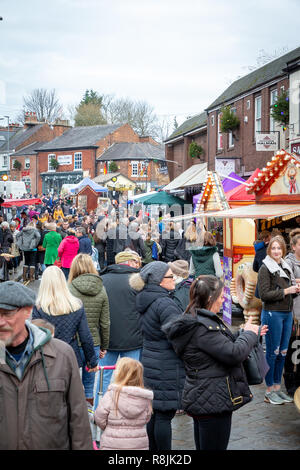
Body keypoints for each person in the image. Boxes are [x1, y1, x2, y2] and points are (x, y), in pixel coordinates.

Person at [163, 275, 267, 451]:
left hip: (204, 396)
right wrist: (249, 334)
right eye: (221, 296)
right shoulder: (203, 327)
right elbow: (234, 354)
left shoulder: (195, 320)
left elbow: (218, 346)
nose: (223, 299)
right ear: (210, 298)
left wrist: (244, 333)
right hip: (212, 399)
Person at [0, 281, 93, 450]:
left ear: (28, 311)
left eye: (7, 314)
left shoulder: (62, 355)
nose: (0, 322)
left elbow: (79, 420)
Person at [129, 261, 186, 451]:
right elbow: (178, 336)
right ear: (160, 281)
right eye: (171, 276)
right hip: (166, 364)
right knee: (164, 414)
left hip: (151, 360)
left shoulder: (146, 299)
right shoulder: (165, 303)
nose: (174, 280)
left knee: (155, 413)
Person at [94, 249, 143, 409]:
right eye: (136, 262)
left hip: (107, 338)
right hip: (133, 338)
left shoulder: (102, 279)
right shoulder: (138, 281)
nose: (139, 265)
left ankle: (98, 410)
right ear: (130, 262)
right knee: (133, 377)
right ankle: (131, 411)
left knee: (103, 376)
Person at [32, 266, 98, 373]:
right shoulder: (76, 305)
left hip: (47, 359)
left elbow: (35, 338)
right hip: (71, 356)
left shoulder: (39, 307)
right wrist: (92, 361)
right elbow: (85, 336)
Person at [257, 235, 299, 405]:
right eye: (273, 248)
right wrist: (287, 291)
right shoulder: (265, 268)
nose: (276, 251)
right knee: (272, 353)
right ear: (269, 250)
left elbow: (286, 288)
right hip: (272, 313)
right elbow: (264, 294)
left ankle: (277, 388)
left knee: (282, 352)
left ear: (283, 250)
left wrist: (295, 287)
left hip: (287, 313)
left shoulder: (285, 265)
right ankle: (268, 391)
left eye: (279, 248)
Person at [68, 253, 110, 407]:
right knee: (90, 381)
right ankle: (89, 411)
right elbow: (105, 323)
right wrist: (104, 346)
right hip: (93, 342)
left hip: (72, 341)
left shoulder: (69, 288)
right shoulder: (101, 289)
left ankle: (73, 412)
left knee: (70, 380)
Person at [94, 357, 153, 450]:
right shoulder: (145, 398)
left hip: (112, 443)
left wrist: (109, 427)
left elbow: (99, 417)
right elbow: (147, 418)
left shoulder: (111, 394)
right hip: (138, 444)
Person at [283, 228, 300, 396]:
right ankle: (290, 382)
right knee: (292, 347)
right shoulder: (288, 262)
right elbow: (289, 284)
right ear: (293, 247)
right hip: (293, 313)